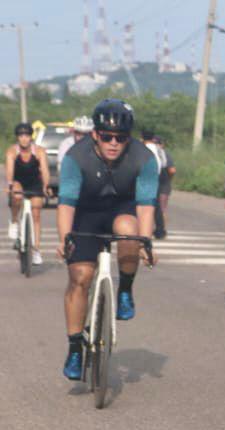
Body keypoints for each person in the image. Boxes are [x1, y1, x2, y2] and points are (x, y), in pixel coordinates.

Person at [57, 99, 158, 380]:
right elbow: (66, 203)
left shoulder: (144, 158)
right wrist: (65, 239)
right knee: (80, 277)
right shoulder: (76, 157)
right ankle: (75, 347)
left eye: (120, 138)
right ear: (95, 135)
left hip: (122, 210)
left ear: (129, 138)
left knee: (129, 229)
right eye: (106, 137)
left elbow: (146, 206)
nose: (113, 143)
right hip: (86, 214)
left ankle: (125, 289)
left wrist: (145, 242)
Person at [6, 122, 51, 265]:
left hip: (34, 183)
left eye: (26, 135)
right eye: (21, 136)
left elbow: (45, 170)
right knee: (17, 195)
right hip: (18, 181)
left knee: (36, 212)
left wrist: (46, 185)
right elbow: (9, 171)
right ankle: (14, 221)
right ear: (17, 138)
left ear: (31, 137)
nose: (24, 138)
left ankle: (36, 250)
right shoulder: (12, 151)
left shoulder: (39, 151)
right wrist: (10, 185)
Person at [155, 136, 175, 239]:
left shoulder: (151, 153)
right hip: (164, 184)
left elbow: (172, 170)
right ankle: (162, 230)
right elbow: (172, 170)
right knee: (162, 208)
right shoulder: (165, 154)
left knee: (152, 208)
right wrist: (169, 178)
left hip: (157, 184)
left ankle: (158, 229)